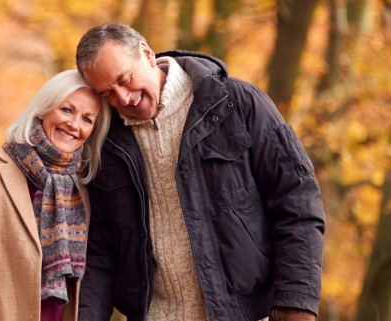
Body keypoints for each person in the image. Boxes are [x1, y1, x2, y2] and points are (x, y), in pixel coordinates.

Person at [74, 22, 325, 321]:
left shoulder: (238, 103)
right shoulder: (106, 143)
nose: (124, 98)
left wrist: (295, 305)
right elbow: (100, 247)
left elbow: (297, 203)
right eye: (108, 94)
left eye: (125, 79)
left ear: (146, 53)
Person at [0, 70, 111, 321]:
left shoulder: (79, 194)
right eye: (66, 110)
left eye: (87, 119)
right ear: (43, 109)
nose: (74, 125)